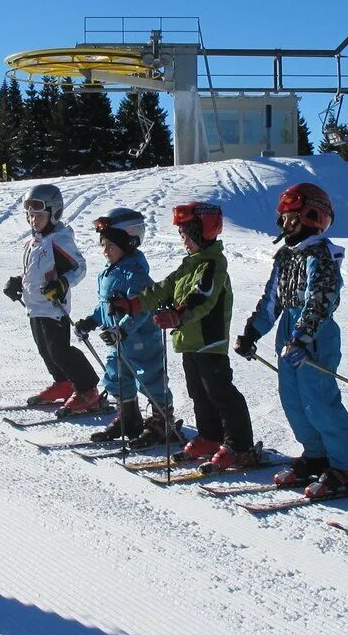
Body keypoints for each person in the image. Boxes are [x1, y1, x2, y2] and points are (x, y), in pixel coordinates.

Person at [235, 183, 348, 497]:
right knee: (293, 399)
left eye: (292, 218)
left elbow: (320, 300)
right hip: (289, 330)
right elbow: (272, 300)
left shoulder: (320, 254)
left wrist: (302, 337)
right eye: (283, 218)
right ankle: (316, 455)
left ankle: (347, 465)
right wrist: (252, 332)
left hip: (315, 334)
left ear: (312, 217)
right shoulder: (286, 256)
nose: (285, 225)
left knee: (318, 399)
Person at [110, 202, 256, 471]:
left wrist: (177, 315)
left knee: (219, 391)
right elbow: (163, 290)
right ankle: (210, 437)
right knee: (198, 391)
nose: (184, 242)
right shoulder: (189, 265)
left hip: (210, 341)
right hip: (189, 340)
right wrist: (132, 304)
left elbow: (203, 296)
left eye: (187, 235)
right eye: (181, 236)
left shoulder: (212, 264)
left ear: (203, 233)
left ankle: (241, 446)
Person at [73, 208, 182, 448]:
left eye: (110, 246)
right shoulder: (108, 273)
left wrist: (123, 329)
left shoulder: (136, 274)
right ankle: (129, 417)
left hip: (140, 340)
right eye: (102, 245)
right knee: (116, 376)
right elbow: (106, 307)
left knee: (150, 378)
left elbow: (142, 309)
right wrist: (91, 321)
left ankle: (162, 421)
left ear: (129, 243)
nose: (105, 251)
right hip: (116, 340)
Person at [3, 183, 100, 413]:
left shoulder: (59, 239)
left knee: (60, 350)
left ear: (54, 213)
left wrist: (62, 283)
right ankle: (64, 383)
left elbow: (79, 267)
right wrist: (17, 282)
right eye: (30, 215)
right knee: (45, 350)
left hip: (54, 307)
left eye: (39, 215)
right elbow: (33, 272)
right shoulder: (32, 242)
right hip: (34, 306)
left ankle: (88, 389)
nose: (33, 219)